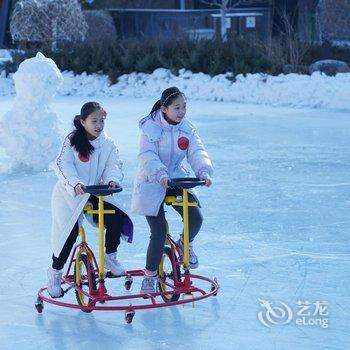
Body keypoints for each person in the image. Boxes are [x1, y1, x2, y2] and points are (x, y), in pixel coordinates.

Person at [47, 102, 133, 298]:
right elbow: (62, 165)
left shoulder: (108, 144)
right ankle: (55, 273)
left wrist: (112, 180)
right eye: (94, 121)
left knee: (116, 217)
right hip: (69, 194)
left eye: (102, 121)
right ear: (83, 121)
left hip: (95, 192)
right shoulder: (71, 140)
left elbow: (114, 165)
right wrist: (75, 184)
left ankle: (110, 257)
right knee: (67, 234)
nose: (99, 125)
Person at [131, 87, 213, 293]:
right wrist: (159, 174)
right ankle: (149, 277)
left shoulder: (186, 128)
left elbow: (196, 150)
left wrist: (203, 170)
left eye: (184, 107)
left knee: (195, 217)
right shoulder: (150, 128)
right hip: (151, 182)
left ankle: (186, 244)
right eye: (176, 107)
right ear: (164, 108)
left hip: (176, 180)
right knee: (159, 231)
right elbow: (147, 156)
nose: (181, 111)